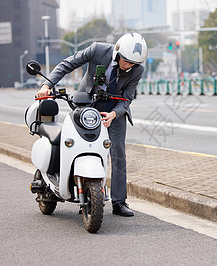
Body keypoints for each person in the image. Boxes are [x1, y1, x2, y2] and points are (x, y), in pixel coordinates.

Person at [36, 32, 147, 217]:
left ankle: (119, 202)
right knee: (74, 145)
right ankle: (80, 192)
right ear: (117, 52)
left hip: (114, 113)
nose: (128, 66)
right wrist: (47, 85)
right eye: (126, 61)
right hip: (86, 105)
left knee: (118, 153)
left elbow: (127, 98)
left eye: (133, 64)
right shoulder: (97, 50)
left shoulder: (137, 70)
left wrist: (114, 114)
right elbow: (67, 64)